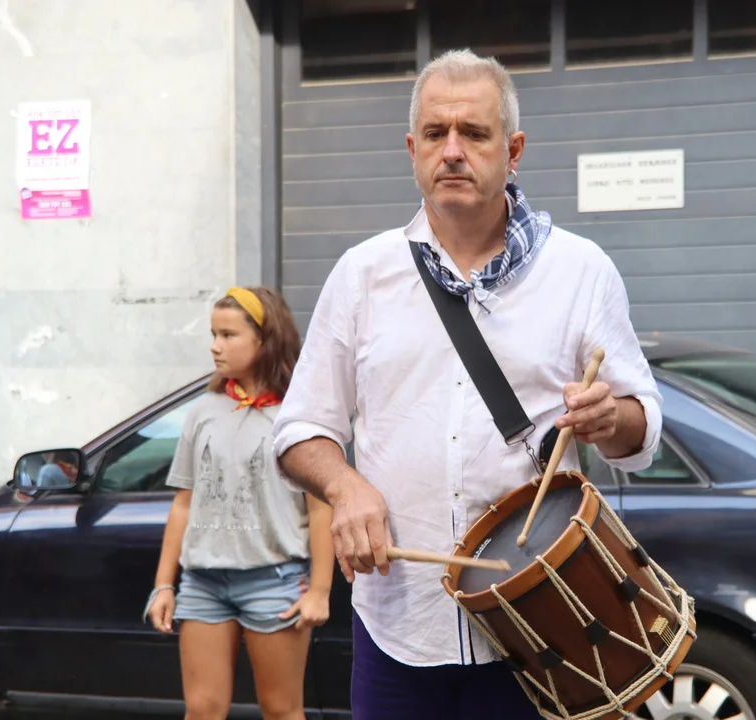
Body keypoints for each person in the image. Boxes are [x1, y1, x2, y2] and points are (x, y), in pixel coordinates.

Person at [271, 49, 663, 719]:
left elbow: (641, 429)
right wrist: (343, 485)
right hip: (397, 626)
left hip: (539, 628)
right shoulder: (362, 274)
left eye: (474, 134)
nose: (452, 151)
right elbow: (299, 429)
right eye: (435, 133)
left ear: (513, 151)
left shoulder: (581, 270)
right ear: (412, 150)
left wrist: (611, 418)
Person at [145, 286, 334, 720]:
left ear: (265, 340)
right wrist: (164, 584)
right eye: (213, 334)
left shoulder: (299, 416)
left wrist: (320, 591)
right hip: (202, 583)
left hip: (275, 581)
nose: (215, 346)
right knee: (202, 710)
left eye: (228, 335)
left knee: (281, 710)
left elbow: (321, 508)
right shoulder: (203, 411)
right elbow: (183, 503)